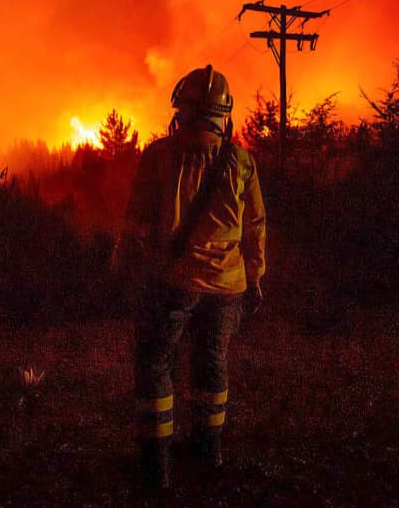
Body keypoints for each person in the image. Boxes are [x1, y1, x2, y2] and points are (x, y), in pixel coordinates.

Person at [114, 64, 266, 489]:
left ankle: (156, 466)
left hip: (173, 282)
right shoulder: (242, 162)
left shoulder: (159, 156)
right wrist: (254, 277)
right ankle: (208, 451)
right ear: (224, 114)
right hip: (227, 286)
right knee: (211, 363)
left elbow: (136, 223)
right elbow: (256, 227)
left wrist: (121, 265)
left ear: (180, 109)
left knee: (156, 364)